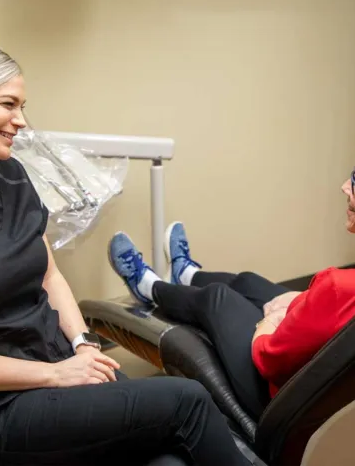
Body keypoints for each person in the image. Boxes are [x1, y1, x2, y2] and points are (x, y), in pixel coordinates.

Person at [0, 38, 251, 466]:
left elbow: (49, 276)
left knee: (169, 461)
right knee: (188, 401)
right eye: (7, 105)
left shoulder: (10, 176)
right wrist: (56, 375)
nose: (21, 121)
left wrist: (83, 345)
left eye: (22, 106)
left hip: (60, 365)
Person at [108, 174, 355, 423]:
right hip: (315, 372)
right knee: (248, 282)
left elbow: (268, 359)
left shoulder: (338, 289)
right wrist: (304, 299)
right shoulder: (340, 289)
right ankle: (185, 275)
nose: (344, 186)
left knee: (218, 298)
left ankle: (149, 288)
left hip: (285, 403)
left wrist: (270, 322)